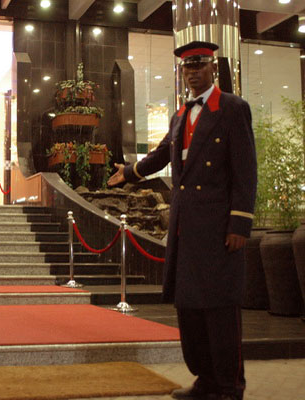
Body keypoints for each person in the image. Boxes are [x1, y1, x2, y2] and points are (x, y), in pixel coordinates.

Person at [107, 41, 256, 400]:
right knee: (189, 309)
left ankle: (229, 386)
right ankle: (205, 380)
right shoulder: (179, 116)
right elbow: (161, 154)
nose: (192, 73)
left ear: (212, 68)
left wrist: (239, 223)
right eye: (187, 67)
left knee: (219, 310)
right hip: (185, 229)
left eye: (199, 65)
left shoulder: (232, 108)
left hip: (218, 229)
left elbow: (246, 170)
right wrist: (129, 172)